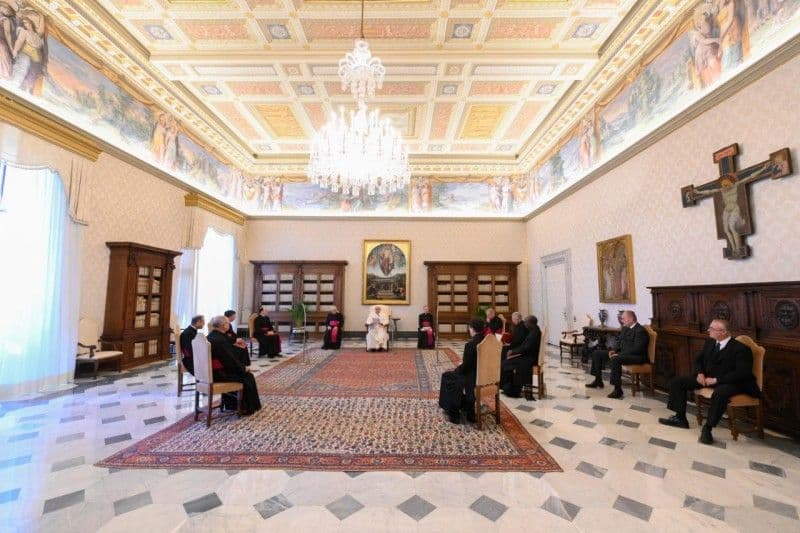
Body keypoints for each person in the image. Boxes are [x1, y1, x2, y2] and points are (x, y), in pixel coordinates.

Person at [659, 318, 758, 445]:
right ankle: (680, 418)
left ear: (723, 332)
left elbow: (741, 373)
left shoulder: (741, 349)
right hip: (707, 378)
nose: (708, 330)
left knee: (720, 393)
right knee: (677, 382)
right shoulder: (710, 342)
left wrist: (716, 380)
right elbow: (698, 360)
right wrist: (700, 373)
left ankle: (708, 429)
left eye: (711, 328)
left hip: (732, 382)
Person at [585, 310, 649, 399]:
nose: (622, 320)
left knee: (616, 359)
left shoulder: (640, 330)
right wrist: (614, 351)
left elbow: (637, 349)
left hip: (637, 356)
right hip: (624, 354)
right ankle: (598, 380)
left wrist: (619, 355)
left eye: (623, 319)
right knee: (597, 353)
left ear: (631, 319)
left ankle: (618, 390)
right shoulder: (625, 328)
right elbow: (620, 343)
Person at [206, 316, 262, 416]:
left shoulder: (211, 336)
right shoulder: (220, 340)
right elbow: (229, 361)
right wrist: (243, 368)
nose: (229, 325)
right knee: (248, 377)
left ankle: (231, 404)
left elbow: (228, 356)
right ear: (223, 326)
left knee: (244, 374)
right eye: (228, 323)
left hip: (209, 373)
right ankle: (244, 407)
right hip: (219, 375)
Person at [439, 319, 485, 424]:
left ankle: (453, 413)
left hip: (472, 377)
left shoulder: (471, 344)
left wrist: (455, 369)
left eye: (469, 328)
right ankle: (468, 410)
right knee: (454, 375)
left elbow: (466, 368)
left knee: (447, 376)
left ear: (472, 329)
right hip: (486, 377)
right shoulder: (487, 341)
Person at [500, 315, 542, 398]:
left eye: (526, 322)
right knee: (508, 362)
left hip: (529, 359)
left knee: (506, 363)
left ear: (531, 323)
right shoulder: (535, 330)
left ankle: (511, 390)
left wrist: (513, 351)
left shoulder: (534, 333)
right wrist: (514, 352)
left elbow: (525, 348)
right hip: (530, 356)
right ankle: (509, 387)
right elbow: (525, 346)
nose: (525, 324)